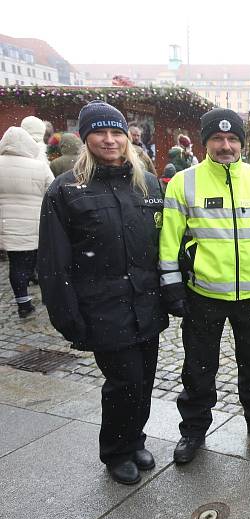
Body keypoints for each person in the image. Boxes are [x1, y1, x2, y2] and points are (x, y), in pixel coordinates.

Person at [159, 107, 250, 464]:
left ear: (242, 143)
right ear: (206, 142)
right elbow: (169, 240)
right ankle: (193, 430)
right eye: (218, 139)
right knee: (198, 367)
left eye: (232, 139)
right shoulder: (184, 182)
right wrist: (172, 285)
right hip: (203, 293)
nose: (226, 146)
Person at [37, 100, 167, 485]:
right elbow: (53, 262)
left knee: (144, 380)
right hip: (103, 307)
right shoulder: (66, 191)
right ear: (85, 137)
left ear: (127, 138)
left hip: (146, 301)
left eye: (116, 133)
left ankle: (135, 439)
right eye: (100, 132)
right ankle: (115, 451)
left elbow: (162, 242)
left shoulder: (146, 182)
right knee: (124, 382)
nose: (109, 141)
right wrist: (67, 315)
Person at [0, 126, 53, 318]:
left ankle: (23, 303)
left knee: (17, 264)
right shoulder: (39, 166)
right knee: (42, 262)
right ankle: (49, 297)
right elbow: (52, 191)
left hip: (7, 224)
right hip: (37, 224)